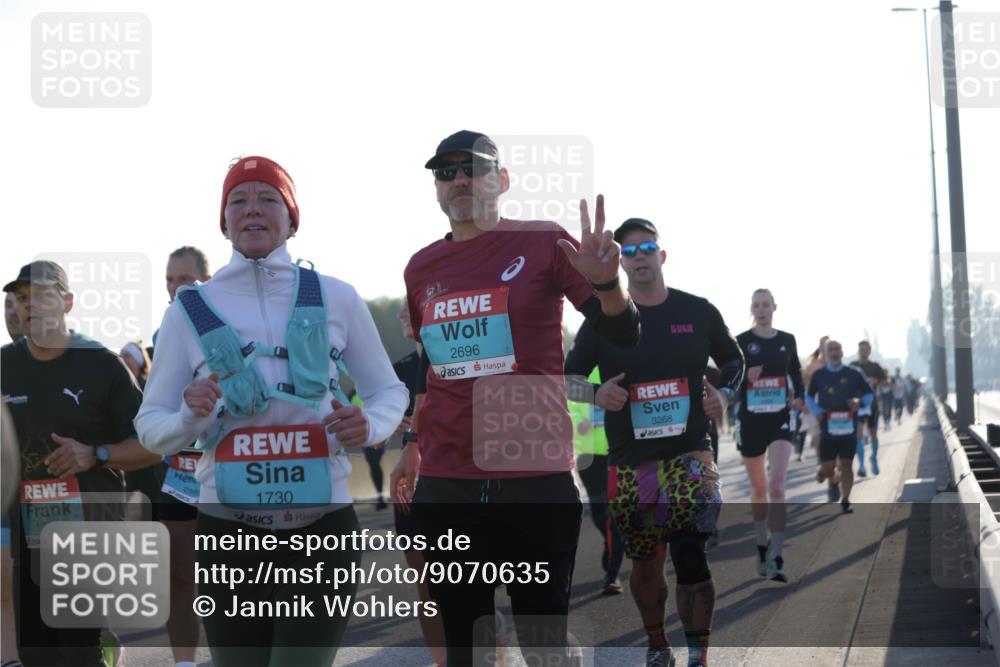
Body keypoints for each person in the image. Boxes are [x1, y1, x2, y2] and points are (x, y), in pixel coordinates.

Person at [135, 156, 408, 666]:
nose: (252, 210)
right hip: (226, 530)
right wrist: (190, 418)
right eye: (238, 200)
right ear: (223, 221)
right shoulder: (188, 309)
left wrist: (369, 423)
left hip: (321, 527)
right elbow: (151, 428)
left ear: (291, 217)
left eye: (268, 198)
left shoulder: (337, 297)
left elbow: (390, 391)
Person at [391, 131, 640, 666]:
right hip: (449, 484)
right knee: (467, 649)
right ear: (437, 190)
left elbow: (620, 335)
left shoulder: (544, 241)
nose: (458, 179)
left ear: (501, 181)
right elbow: (432, 367)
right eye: (446, 172)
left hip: (535, 478)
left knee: (543, 646)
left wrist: (608, 286)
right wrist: (412, 439)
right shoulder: (421, 269)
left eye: (473, 168)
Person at [565, 217, 743, 667]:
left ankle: (698, 655)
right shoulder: (600, 323)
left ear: (662, 256)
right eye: (628, 251)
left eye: (646, 247)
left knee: (690, 553)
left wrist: (723, 394)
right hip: (631, 463)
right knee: (645, 563)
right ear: (619, 263)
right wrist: (596, 393)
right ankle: (657, 643)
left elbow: (733, 360)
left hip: (690, 454)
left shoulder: (697, 311)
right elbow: (566, 379)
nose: (638, 256)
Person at [2, 260, 160, 666]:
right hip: (30, 531)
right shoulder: (5, 365)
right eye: (21, 299)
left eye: (41, 295)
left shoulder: (102, 366)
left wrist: (96, 453)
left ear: (68, 302)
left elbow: (153, 445)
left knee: (78, 651)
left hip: (91, 529)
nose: (29, 306)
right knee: (35, 654)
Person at [154, 246, 211, 667]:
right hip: (178, 473)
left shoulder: (233, 324)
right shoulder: (162, 334)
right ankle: (184, 662)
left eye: (185, 280)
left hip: (225, 471)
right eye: (170, 280)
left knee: (233, 578)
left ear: (207, 283)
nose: (176, 288)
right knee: (179, 578)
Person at [735, 289, 803, 584]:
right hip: (751, 422)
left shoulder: (787, 340)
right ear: (752, 309)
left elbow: (796, 373)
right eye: (756, 305)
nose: (761, 309)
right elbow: (730, 382)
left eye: (766, 305)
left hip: (779, 420)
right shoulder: (741, 342)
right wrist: (745, 379)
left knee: (777, 486)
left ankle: (777, 555)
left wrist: (799, 397)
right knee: (759, 489)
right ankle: (761, 546)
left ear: (774, 307)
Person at [567, 367, 626, 595]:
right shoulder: (583, 368)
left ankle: (612, 574)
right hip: (589, 454)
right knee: (600, 511)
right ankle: (609, 544)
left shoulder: (620, 365)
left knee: (615, 514)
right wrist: (578, 423)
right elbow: (571, 405)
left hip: (618, 452)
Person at [806, 340, 873, 514]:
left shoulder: (854, 373)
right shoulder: (819, 375)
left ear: (842, 352)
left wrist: (859, 401)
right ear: (826, 354)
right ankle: (832, 480)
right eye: (831, 350)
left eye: (837, 349)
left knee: (847, 465)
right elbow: (809, 397)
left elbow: (869, 394)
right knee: (828, 468)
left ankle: (845, 500)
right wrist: (817, 410)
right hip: (827, 427)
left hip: (848, 428)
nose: (835, 353)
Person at [849, 341, 888, 477]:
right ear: (858, 351)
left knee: (873, 434)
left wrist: (876, 381)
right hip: (857, 405)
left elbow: (886, 382)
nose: (863, 352)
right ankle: (861, 465)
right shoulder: (853, 366)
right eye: (861, 350)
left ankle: (874, 459)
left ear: (869, 351)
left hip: (872, 405)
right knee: (858, 434)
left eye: (865, 350)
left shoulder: (875, 366)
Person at [800, 336, 830, 461]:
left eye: (827, 345)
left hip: (831, 403)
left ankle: (833, 463)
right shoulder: (812, 366)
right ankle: (821, 461)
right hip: (813, 403)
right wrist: (805, 404)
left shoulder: (836, 364)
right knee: (817, 436)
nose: (824, 348)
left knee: (832, 435)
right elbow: (805, 387)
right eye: (822, 345)